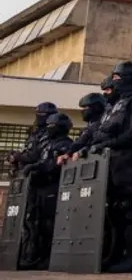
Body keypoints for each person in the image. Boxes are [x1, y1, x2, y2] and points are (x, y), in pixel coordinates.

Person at [80, 61, 132, 274]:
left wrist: (109, 144)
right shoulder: (116, 104)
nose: (114, 82)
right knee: (113, 210)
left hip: (129, 160)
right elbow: (101, 132)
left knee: (127, 208)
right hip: (111, 162)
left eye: (118, 77)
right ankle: (115, 254)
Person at [18, 112, 73, 269]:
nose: (48, 128)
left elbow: (54, 165)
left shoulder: (65, 145)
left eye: (52, 126)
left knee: (49, 224)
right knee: (36, 222)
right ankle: (35, 255)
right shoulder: (47, 144)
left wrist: (37, 167)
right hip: (40, 187)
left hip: (53, 187)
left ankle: (48, 257)